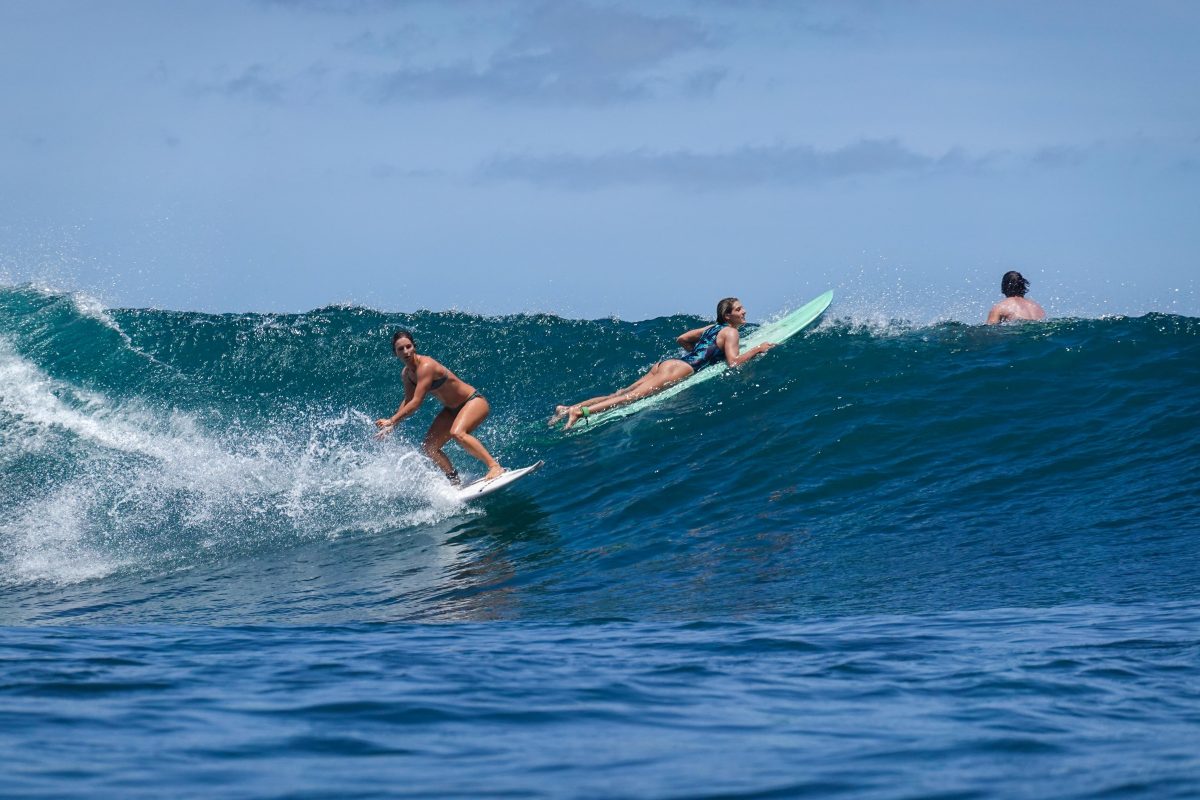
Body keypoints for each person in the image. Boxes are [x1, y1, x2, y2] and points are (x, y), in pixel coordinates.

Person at [550, 297, 776, 430]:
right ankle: (580, 413)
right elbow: (734, 363)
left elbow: (682, 339)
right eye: (738, 309)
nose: (744, 311)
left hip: (668, 364)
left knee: (621, 391)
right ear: (728, 316)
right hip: (680, 369)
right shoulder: (731, 333)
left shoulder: (711, 328)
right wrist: (758, 349)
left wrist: (698, 354)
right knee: (630, 398)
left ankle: (568, 408)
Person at [375, 329, 505, 483]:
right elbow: (408, 400)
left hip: (473, 401)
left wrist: (391, 420)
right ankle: (454, 480)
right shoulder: (407, 374)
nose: (406, 351)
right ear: (395, 353)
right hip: (451, 410)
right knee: (429, 447)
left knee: (458, 433)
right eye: (400, 349)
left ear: (414, 346)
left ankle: (494, 466)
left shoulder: (426, 366)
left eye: (408, 346)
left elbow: (416, 403)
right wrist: (393, 425)